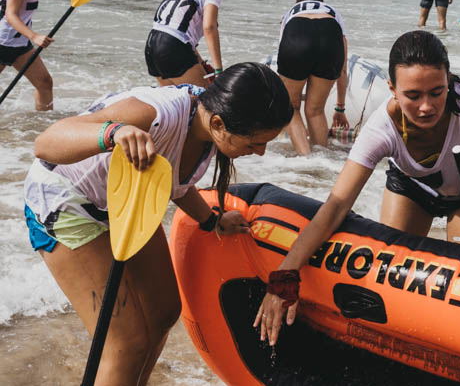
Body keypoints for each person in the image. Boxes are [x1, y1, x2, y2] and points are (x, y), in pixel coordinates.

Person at [23, 62, 293, 385]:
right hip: (64, 202)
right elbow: (45, 144)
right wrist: (113, 132)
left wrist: (212, 221)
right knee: (126, 344)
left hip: (124, 201)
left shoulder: (207, 120)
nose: (261, 153)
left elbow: (174, 181)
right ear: (219, 123)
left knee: (164, 310)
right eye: (254, 143)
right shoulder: (155, 113)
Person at [255, 30, 460, 346]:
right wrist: (284, 277)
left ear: (448, 80)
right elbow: (337, 205)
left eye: (437, 92)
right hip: (411, 188)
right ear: (392, 89)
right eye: (413, 95)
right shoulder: (381, 129)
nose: (426, 106)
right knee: (395, 278)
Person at [145, 0, 233, 88]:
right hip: (172, 46)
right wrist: (218, 70)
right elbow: (209, 27)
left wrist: (201, 64)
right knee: (207, 99)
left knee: (176, 99)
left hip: (152, 45)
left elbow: (179, 31)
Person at [277, 0, 349, 155]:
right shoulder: (333, 13)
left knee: (291, 107)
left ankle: (306, 158)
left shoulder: (292, 12)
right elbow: (343, 68)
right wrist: (340, 108)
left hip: (297, 35)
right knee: (315, 110)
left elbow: (283, 50)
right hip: (329, 38)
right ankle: (321, 159)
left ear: (297, 2)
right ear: (322, 2)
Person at [0, 0, 54, 111]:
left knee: (44, 83)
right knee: (44, 83)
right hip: (4, 42)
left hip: (18, 43)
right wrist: (34, 36)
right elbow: (10, 14)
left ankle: (42, 124)